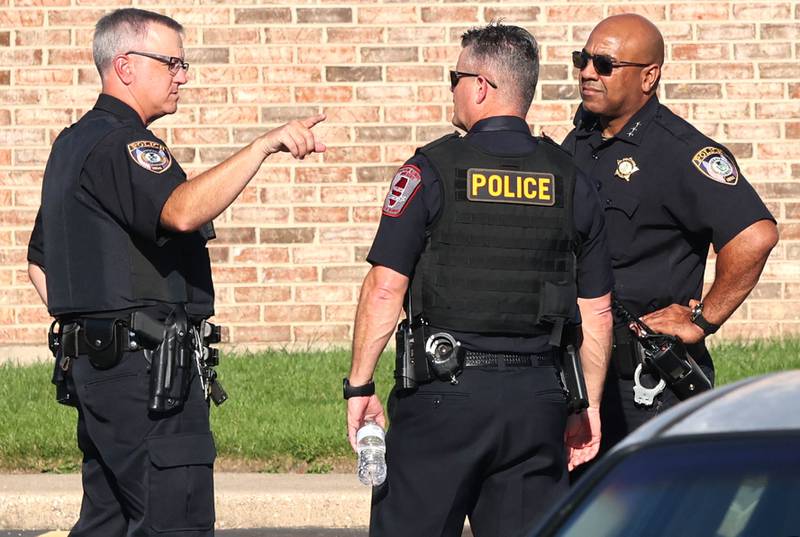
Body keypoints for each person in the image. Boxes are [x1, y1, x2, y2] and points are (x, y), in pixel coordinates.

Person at [26, 8, 325, 537]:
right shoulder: (126, 143)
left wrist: (95, 330)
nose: (182, 75)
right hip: (149, 380)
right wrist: (262, 147)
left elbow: (39, 265)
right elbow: (182, 209)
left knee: (110, 521)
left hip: (102, 374)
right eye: (171, 63)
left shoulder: (70, 145)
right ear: (125, 66)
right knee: (173, 522)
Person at [344, 23, 613, 537]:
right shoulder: (572, 179)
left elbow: (385, 285)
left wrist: (359, 385)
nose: (452, 88)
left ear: (481, 87)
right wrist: (588, 405)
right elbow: (596, 310)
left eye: (455, 77)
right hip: (538, 400)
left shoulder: (430, 170)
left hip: (444, 397)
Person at [562, 13, 779, 465]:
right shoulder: (582, 137)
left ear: (649, 76)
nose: (587, 72)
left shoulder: (680, 152)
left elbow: (756, 235)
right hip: (579, 373)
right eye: (583, 60)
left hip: (643, 383)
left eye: (604, 64)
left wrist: (703, 320)